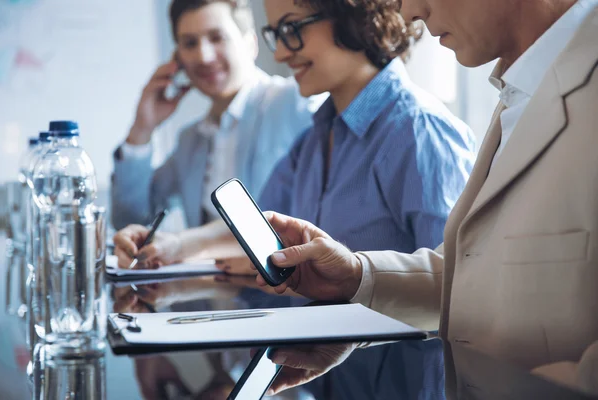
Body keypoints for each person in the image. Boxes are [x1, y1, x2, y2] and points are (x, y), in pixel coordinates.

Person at [114, 0, 476, 398]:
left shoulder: (419, 131)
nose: (282, 52)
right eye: (277, 35)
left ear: (352, 16)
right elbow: (255, 224)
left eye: (292, 29)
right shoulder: (315, 138)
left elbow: (460, 294)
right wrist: (173, 245)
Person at [242, 0, 598, 398]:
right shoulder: (518, 95)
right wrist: (358, 276)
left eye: (293, 29)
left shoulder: (420, 125)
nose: (408, 11)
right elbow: (475, 273)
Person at [110, 0, 323, 231]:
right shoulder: (191, 140)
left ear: (251, 44)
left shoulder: (297, 102)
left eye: (217, 37)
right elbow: (130, 220)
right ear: (178, 60)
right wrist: (142, 128)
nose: (204, 56)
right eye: (190, 43)